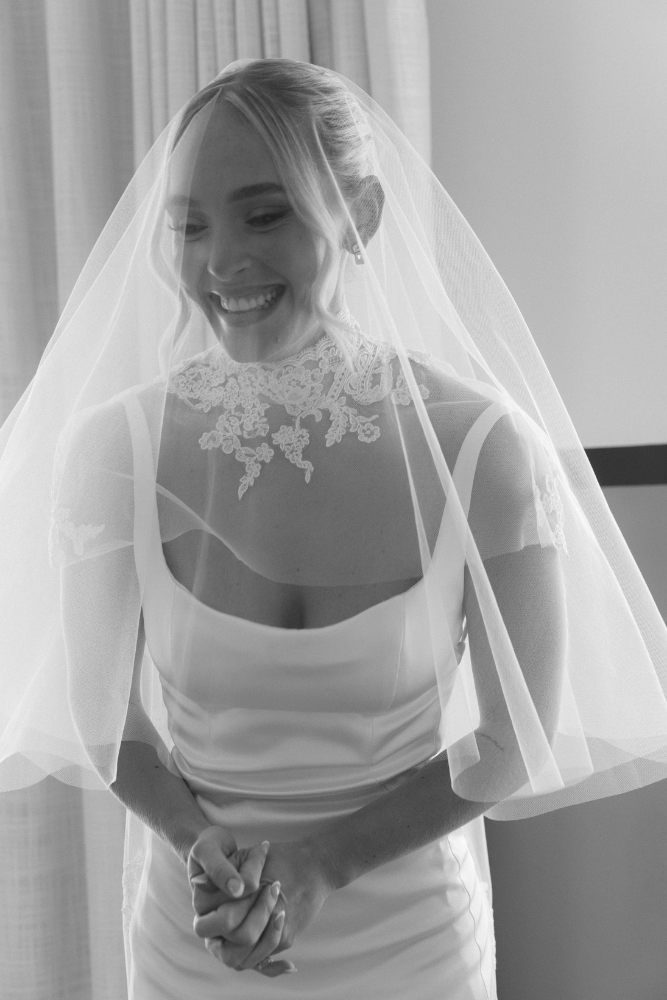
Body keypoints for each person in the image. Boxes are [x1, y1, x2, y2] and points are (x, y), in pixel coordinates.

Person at [2, 58, 667, 999]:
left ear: (360, 212)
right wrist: (202, 844)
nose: (220, 262)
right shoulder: (117, 451)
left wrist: (325, 864)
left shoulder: (479, 448)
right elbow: (107, 719)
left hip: (411, 946)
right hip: (200, 933)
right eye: (188, 226)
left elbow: (514, 737)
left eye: (264, 214)